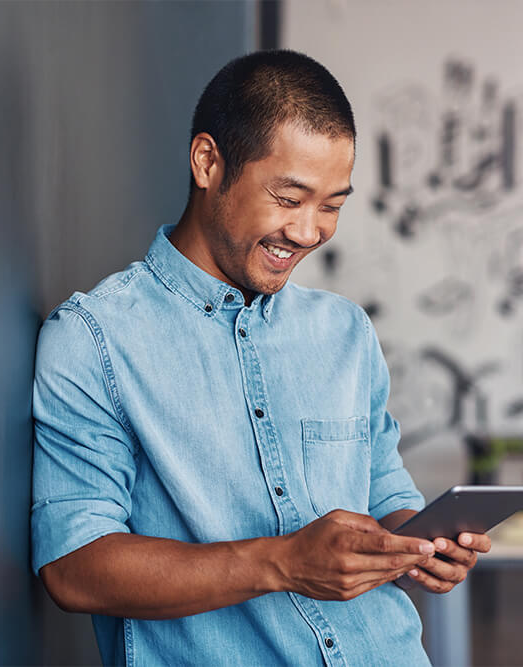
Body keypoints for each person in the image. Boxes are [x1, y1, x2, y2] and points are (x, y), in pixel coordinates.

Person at [31, 49, 491, 666]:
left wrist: (421, 545)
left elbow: (385, 496)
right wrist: (282, 563)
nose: (308, 232)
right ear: (207, 162)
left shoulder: (345, 332)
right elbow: (73, 568)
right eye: (289, 197)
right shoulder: (95, 338)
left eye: (331, 205)